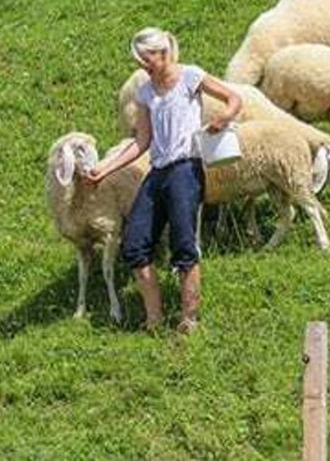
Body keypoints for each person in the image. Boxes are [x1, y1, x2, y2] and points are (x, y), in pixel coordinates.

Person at [84, 27, 241, 334]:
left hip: (186, 169)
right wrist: (105, 168)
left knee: (184, 245)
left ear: (164, 53)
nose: (144, 66)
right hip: (158, 172)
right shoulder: (145, 93)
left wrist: (223, 118)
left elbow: (233, 98)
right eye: (140, 60)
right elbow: (141, 140)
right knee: (135, 244)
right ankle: (153, 319)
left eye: (148, 59)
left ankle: (189, 319)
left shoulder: (190, 76)